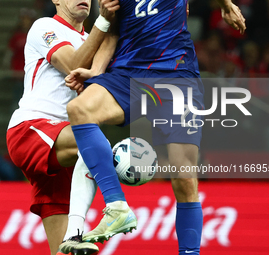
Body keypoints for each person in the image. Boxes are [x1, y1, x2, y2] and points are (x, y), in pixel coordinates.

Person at [64, 0, 246, 254]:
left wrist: (225, 4)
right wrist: (95, 70)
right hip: (128, 72)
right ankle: (117, 207)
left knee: (184, 177)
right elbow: (113, 31)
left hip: (177, 76)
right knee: (79, 109)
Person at [5, 0, 120, 254]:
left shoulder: (93, 38)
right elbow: (73, 64)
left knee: (66, 252)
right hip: (32, 129)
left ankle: (73, 236)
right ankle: (115, 206)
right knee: (94, 144)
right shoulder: (44, 27)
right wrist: (103, 22)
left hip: (63, 145)